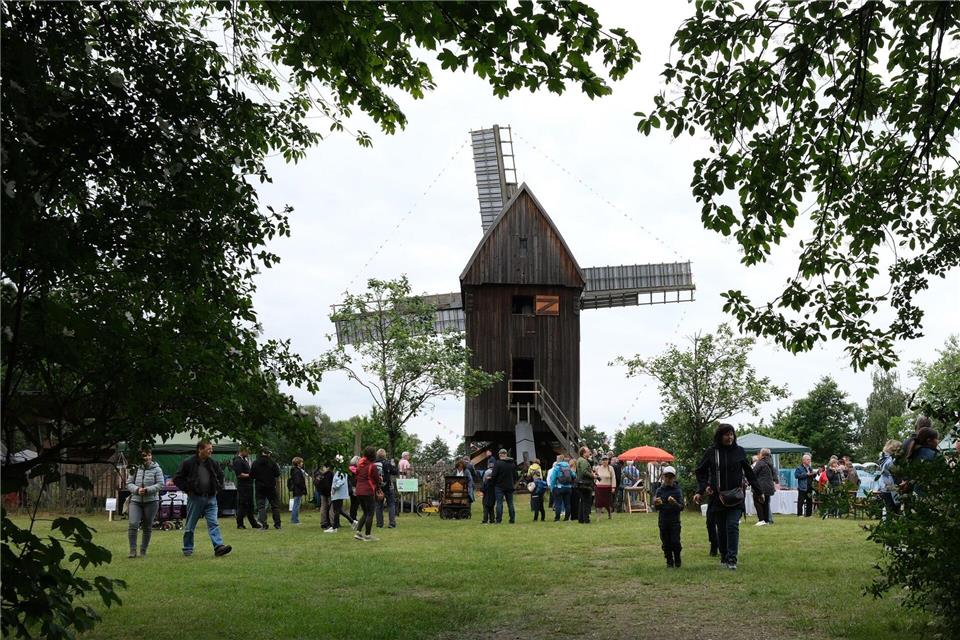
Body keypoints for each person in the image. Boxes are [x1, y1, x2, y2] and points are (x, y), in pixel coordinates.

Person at [694, 424, 762, 571]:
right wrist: (702, 489)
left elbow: (749, 473)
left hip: (736, 497)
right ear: (720, 436)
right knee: (722, 529)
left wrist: (759, 491)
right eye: (726, 434)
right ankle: (724, 556)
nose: (729, 437)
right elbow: (700, 471)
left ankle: (732, 558)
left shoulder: (739, 452)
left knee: (732, 525)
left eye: (731, 434)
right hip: (717, 498)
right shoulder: (712, 452)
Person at [172, 440, 232, 557]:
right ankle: (187, 548)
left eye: (211, 448)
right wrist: (188, 489)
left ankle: (219, 547)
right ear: (200, 449)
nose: (211, 451)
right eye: (209, 449)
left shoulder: (213, 463)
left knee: (213, 523)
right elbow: (177, 478)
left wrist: (218, 487)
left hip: (211, 498)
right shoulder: (188, 463)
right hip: (195, 498)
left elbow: (220, 475)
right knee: (190, 525)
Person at [125, 448, 164, 558]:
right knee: (133, 524)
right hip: (136, 501)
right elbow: (129, 483)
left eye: (148, 455)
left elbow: (161, 484)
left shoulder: (157, 469)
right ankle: (132, 550)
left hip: (151, 501)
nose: (147, 457)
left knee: (147, 526)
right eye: (144, 456)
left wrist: (147, 490)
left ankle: (143, 550)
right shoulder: (135, 468)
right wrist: (137, 490)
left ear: (151, 456)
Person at [653, 466, 684, 568]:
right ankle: (669, 561)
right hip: (663, 520)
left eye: (671, 477)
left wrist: (674, 503)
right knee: (666, 542)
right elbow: (656, 508)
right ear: (663, 477)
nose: (668, 479)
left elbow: (681, 507)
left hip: (674, 520)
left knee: (675, 541)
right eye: (666, 476)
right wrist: (656, 504)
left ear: (674, 478)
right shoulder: (659, 490)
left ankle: (677, 558)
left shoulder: (677, 491)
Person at [353, 446, 381, 541]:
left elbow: (356, 476)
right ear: (373, 455)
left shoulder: (360, 465)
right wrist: (379, 486)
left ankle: (358, 532)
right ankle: (368, 535)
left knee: (365, 512)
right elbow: (377, 479)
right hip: (368, 490)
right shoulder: (372, 466)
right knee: (370, 513)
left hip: (358, 491)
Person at [250, 447, 281, 530]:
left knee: (261, 506)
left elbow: (251, 475)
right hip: (271, 486)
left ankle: (263, 524)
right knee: (275, 505)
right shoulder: (272, 463)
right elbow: (277, 474)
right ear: (269, 453)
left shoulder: (255, 463)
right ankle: (277, 524)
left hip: (260, 486)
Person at [231, 447, 260, 529]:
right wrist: (250, 475)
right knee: (242, 504)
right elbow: (239, 474)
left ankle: (253, 523)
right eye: (247, 451)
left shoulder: (244, 460)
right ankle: (240, 523)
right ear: (242, 451)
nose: (248, 453)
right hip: (243, 486)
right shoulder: (237, 461)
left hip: (248, 485)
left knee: (250, 505)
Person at [325, 458, 355, 533]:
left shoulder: (341, 471)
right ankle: (352, 521)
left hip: (338, 493)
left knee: (337, 510)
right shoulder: (340, 470)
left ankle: (334, 527)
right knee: (339, 510)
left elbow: (341, 481)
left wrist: (335, 487)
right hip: (338, 493)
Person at [490, 448, 518, 524]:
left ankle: (498, 520)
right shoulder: (512, 463)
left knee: (499, 503)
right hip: (509, 486)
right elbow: (515, 476)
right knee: (510, 503)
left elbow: (494, 475)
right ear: (506, 454)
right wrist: (513, 483)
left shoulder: (498, 463)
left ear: (500, 455)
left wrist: (493, 483)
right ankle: (512, 520)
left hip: (499, 486)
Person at [752, 448, 778, 526]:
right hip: (769, 486)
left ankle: (761, 519)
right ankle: (766, 520)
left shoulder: (760, 462)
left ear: (762, 454)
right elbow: (775, 476)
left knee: (758, 502)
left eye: (759, 453)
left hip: (761, 486)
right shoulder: (770, 462)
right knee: (766, 503)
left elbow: (753, 473)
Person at [877, 440, 901, 517]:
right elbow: (896, 471)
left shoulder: (883, 459)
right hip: (891, 488)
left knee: (890, 510)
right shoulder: (890, 460)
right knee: (894, 510)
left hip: (884, 487)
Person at [375, 449, 397, 529]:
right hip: (388, 486)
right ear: (384, 455)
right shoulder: (387, 463)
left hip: (378, 487)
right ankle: (392, 523)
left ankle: (379, 524)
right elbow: (395, 472)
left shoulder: (374, 463)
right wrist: (393, 465)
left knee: (378, 505)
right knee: (391, 504)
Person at [548, 454, 574, 521]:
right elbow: (574, 475)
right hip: (568, 488)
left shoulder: (557, 467)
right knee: (567, 504)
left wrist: (552, 488)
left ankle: (557, 519)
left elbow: (553, 479)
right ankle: (567, 518)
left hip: (559, 487)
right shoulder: (568, 467)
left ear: (558, 461)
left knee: (558, 503)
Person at [574, 446, 596, 524]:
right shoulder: (583, 461)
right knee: (586, 502)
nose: (589, 452)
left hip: (581, 484)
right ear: (584, 453)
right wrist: (593, 476)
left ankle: (581, 519)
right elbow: (584, 472)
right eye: (588, 451)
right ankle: (586, 519)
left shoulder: (580, 460)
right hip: (585, 484)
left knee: (582, 502)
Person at [593, 455, 617, 519]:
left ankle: (610, 514)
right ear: (601, 461)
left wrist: (613, 487)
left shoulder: (611, 468)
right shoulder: (598, 468)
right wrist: (596, 480)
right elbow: (595, 476)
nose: (604, 461)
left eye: (606, 460)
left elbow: (613, 478)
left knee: (608, 502)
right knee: (599, 502)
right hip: (599, 488)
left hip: (607, 488)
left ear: (608, 461)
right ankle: (599, 516)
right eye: (603, 460)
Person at [288, 456, 308, 525]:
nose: (302, 463)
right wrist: (302, 487)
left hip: (296, 489)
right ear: (298, 463)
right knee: (296, 505)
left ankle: (294, 519)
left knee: (296, 504)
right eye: (301, 462)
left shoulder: (295, 470)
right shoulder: (297, 471)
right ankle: (294, 520)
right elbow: (298, 481)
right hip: (298, 490)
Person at [316, 464, 333, 530]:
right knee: (330, 507)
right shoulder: (329, 474)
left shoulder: (321, 475)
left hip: (323, 492)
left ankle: (324, 522)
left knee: (323, 507)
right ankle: (331, 522)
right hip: (328, 492)